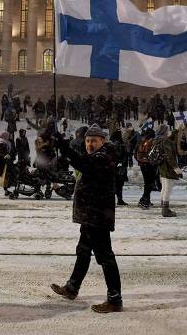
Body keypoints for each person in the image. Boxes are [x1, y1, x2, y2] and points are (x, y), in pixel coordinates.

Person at [50, 124, 123, 313]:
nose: (90, 144)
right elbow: (83, 162)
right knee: (83, 251)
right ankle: (72, 287)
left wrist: (64, 147)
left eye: (94, 141)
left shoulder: (104, 157)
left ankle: (115, 299)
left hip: (97, 216)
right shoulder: (97, 156)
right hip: (91, 216)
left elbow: (84, 165)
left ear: (102, 141)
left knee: (105, 256)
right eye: (88, 141)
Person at [155, 124, 181, 217]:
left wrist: (176, 130)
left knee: (164, 188)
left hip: (161, 167)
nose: (168, 131)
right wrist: (176, 168)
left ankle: (163, 207)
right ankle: (165, 210)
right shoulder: (165, 141)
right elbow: (169, 156)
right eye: (167, 130)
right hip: (168, 167)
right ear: (165, 131)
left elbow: (170, 137)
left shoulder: (157, 139)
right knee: (167, 189)